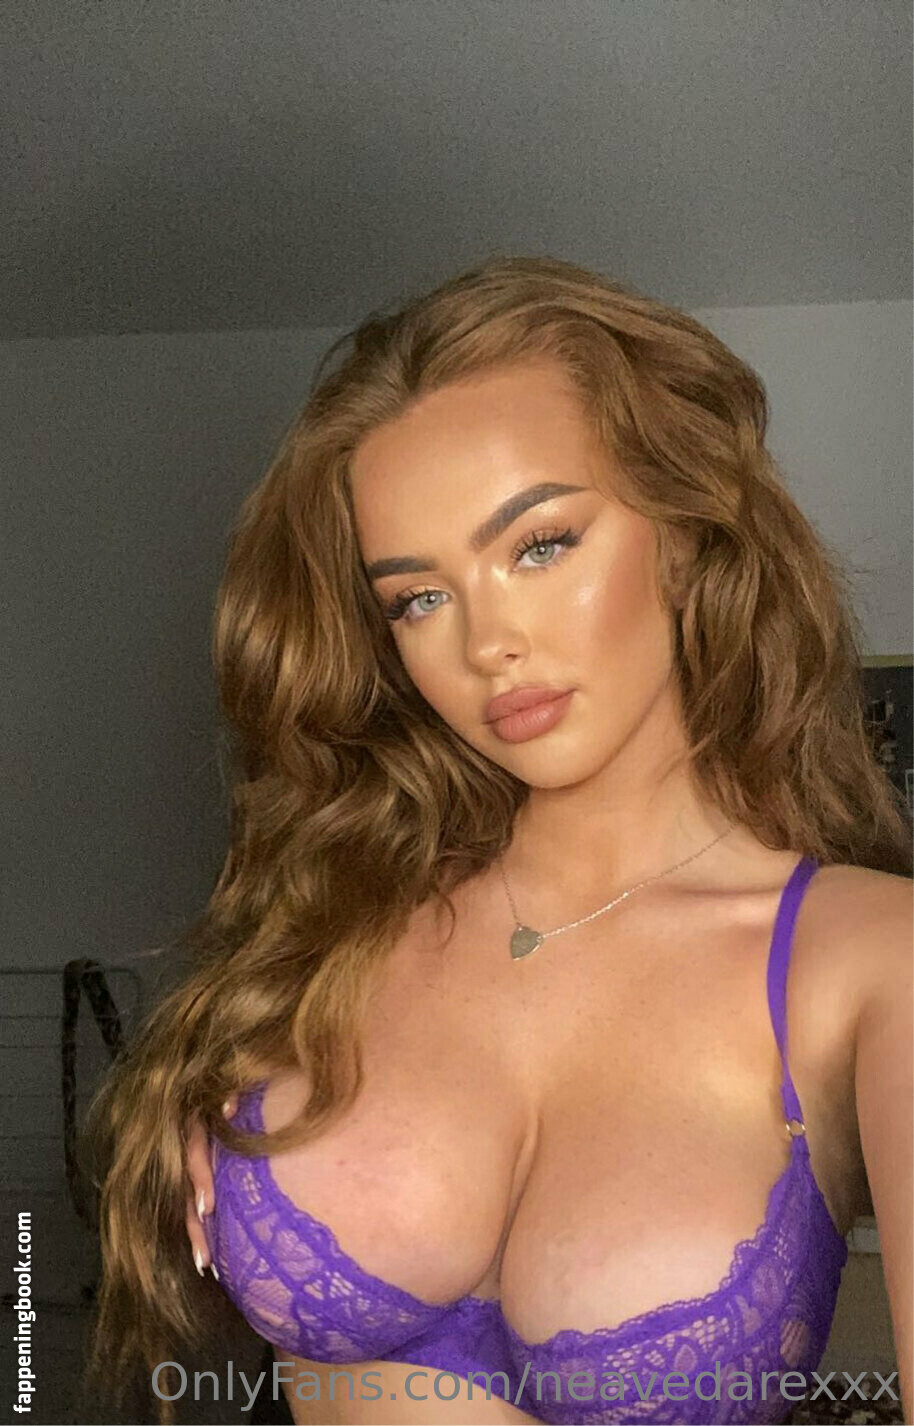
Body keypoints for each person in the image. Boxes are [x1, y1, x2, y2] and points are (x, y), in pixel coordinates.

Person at [85, 255, 912, 1426]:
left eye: (538, 545)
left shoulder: (869, 963)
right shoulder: (341, 927)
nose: (485, 644)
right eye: (418, 598)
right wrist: (226, 1091)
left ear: (684, 533)